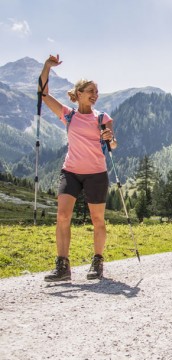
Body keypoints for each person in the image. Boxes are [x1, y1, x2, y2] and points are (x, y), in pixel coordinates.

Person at [39, 54, 116, 282]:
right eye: (90, 91)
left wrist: (110, 138)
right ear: (79, 93)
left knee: (97, 220)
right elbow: (43, 95)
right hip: (70, 171)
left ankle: (98, 261)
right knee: (63, 216)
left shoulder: (102, 117)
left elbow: (113, 143)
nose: (95, 95)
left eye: (96, 92)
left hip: (96, 174)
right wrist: (47, 67)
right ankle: (63, 266)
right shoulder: (68, 115)